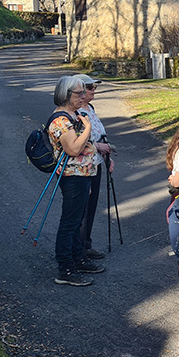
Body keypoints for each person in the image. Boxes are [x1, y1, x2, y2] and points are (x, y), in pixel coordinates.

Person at [47, 75, 106, 286]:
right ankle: (65, 269)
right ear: (66, 94)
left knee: (76, 219)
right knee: (70, 222)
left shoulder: (74, 114)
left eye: (84, 92)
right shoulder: (61, 120)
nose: (83, 96)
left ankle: (78, 259)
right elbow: (73, 149)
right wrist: (88, 128)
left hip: (83, 175)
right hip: (73, 177)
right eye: (79, 93)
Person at [75, 74, 112, 260]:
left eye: (94, 88)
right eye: (90, 88)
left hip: (95, 164)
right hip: (82, 167)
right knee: (81, 209)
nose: (93, 91)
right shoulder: (75, 114)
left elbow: (99, 135)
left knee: (91, 208)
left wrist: (107, 157)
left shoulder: (90, 108)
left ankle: (85, 244)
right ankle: (79, 249)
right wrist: (98, 147)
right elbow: (78, 142)